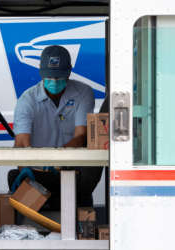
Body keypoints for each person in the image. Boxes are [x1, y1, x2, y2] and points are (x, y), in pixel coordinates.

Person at [8, 45, 103, 209]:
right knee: (15, 178)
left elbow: (81, 136)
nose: (54, 82)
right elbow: (22, 143)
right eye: (49, 78)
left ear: (69, 72)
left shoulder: (83, 93)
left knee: (81, 198)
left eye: (59, 78)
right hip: (39, 172)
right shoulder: (27, 100)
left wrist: (55, 161)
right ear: (41, 72)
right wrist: (26, 172)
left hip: (72, 171)